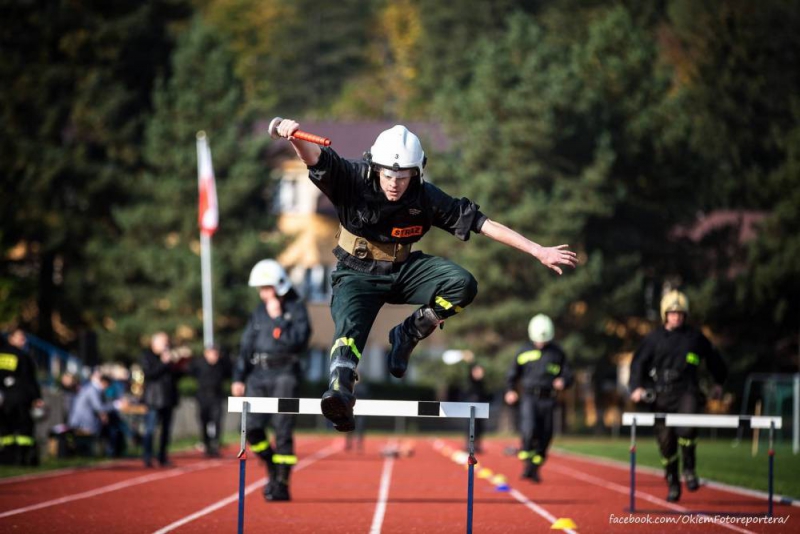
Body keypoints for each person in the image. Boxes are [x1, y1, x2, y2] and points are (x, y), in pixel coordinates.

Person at [274, 119, 577, 433]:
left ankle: (409, 332)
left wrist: (537, 250)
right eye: (388, 175)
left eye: (403, 177)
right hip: (356, 274)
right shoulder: (352, 178)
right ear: (375, 167)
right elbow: (315, 158)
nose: (394, 184)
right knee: (349, 332)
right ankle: (340, 392)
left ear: (416, 173)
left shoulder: (425, 197)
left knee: (463, 284)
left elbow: (482, 223)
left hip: (404, 270)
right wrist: (293, 136)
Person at [629, 290, 727, 502]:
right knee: (667, 445)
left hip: (687, 392)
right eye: (672, 313)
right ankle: (673, 481)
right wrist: (636, 387)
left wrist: (718, 383)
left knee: (687, 429)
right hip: (660, 397)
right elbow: (638, 364)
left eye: (680, 313)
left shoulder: (695, 337)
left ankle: (689, 470)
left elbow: (714, 359)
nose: (677, 317)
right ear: (665, 314)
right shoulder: (653, 339)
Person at [232, 259, 311, 502]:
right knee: (251, 428)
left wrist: (278, 318)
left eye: (267, 288)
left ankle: (282, 485)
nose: (263, 293)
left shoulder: (296, 309)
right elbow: (246, 345)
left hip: (285, 373)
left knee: (283, 430)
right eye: (261, 289)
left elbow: (299, 340)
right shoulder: (257, 312)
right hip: (257, 375)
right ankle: (271, 466)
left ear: (279, 286)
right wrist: (239, 376)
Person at [504, 314, 573, 483]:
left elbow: (569, 374)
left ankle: (533, 469)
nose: (541, 342)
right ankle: (527, 463)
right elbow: (512, 374)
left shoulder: (557, 353)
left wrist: (563, 381)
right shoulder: (523, 351)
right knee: (529, 430)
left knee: (546, 435)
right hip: (529, 398)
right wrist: (510, 390)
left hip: (549, 399)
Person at [0, 328, 44, 465]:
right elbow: (30, 380)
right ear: (11, 338)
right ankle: (23, 458)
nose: (23, 341)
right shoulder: (23, 356)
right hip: (21, 398)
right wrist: (36, 397)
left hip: (5, 398)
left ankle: (7, 457)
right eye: (20, 338)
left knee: (6, 429)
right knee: (24, 428)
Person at [140, 332, 185, 468]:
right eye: (164, 342)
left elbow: (178, 376)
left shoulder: (169, 358)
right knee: (150, 429)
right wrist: (164, 363)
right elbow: (150, 374)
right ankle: (147, 457)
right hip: (154, 399)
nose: (167, 345)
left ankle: (162, 457)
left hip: (168, 399)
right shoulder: (147, 356)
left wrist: (178, 363)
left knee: (166, 430)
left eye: (167, 342)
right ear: (155, 343)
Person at [190, 345, 232, 457]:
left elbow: (230, 371)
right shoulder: (199, 364)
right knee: (204, 421)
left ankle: (215, 445)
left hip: (217, 396)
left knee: (217, 421)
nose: (214, 356)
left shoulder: (222, 364)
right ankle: (206, 445)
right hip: (203, 397)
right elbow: (189, 370)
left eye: (216, 354)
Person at [68, 370, 122, 456]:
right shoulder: (93, 390)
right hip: (83, 423)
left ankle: (109, 451)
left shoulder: (89, 388)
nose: (106, 388)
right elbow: (99, 407)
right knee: (112, 428)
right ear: (104, 382)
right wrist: (116, 405)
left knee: (111, 426)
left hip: (82, 420)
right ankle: (110, 452)